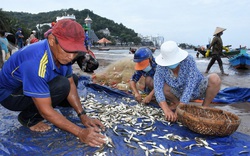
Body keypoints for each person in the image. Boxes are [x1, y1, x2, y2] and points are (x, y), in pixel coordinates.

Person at [0, 19, 106, 147]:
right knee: (61, 84)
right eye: (67, 50)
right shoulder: (35, 62)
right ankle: (28, 118)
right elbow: (46, 110)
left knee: (73, 79)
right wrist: (81, 132)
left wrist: (83, 116)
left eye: (75, 51)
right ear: (51, 40)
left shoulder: (64, 56)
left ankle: (54, 103)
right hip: (9, 95)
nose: (71, 57)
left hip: (30, 84)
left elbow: (71, 84)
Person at [154, 41, 221, 122]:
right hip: (177, 92)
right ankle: (176, 103)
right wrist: (166, 110)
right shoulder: (160, 67)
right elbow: (157, 87)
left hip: (197, 89)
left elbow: (190, 85)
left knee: (215, 78)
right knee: (163, 87)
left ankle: (204, 108)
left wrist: (181, 107)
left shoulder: (189, 60)